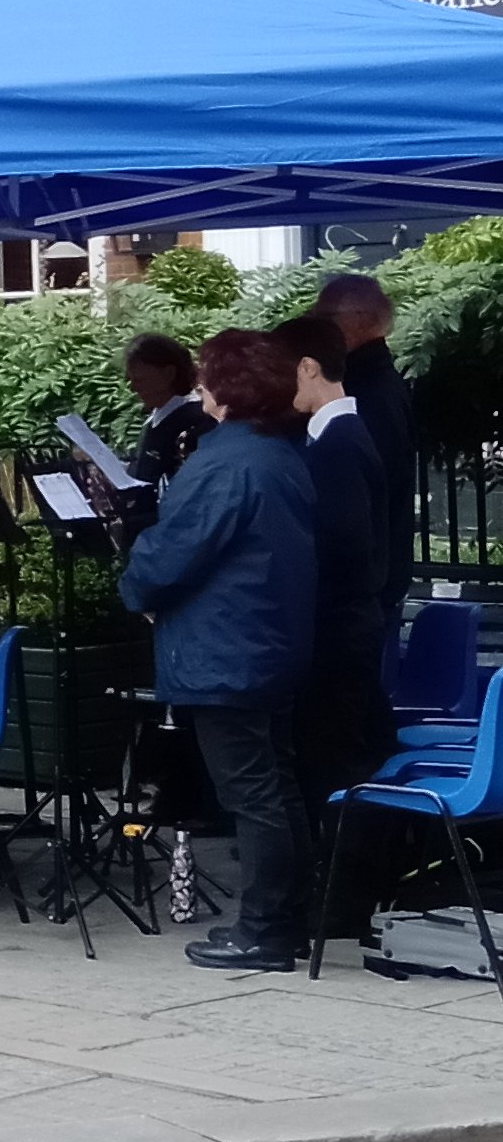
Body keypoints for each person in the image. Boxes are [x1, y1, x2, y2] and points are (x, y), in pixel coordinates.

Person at [118, 328, 319, 971]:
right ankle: (285, 921)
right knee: (276, 786)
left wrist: (134, 573)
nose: (198, 385)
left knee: (251, 794)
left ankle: (262, 931)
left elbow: (172, 553)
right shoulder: (282, 453)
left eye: (206, 376)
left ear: (228, 389)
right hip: (272, 641)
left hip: (226, 649)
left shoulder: (225, 459)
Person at [269, 316, 402, 818]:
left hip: (337, 629)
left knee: (335, 765)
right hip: (346, 624)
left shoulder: (339, 443)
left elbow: (342, 542)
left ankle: (341, 884)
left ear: (307, 367)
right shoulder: (337, 435)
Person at [317, 274, 417, 623]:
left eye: (325, 319)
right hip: (375, 576)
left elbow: (372, 485)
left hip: (368, 581)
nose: (319, 330)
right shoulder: (373, 382)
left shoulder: (368, 391)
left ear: (363, 320)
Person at [121, 333, 216, 541]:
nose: (134, 388)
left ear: (169, 374)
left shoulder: (193, 422)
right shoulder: (159, 417)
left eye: (141, 380)